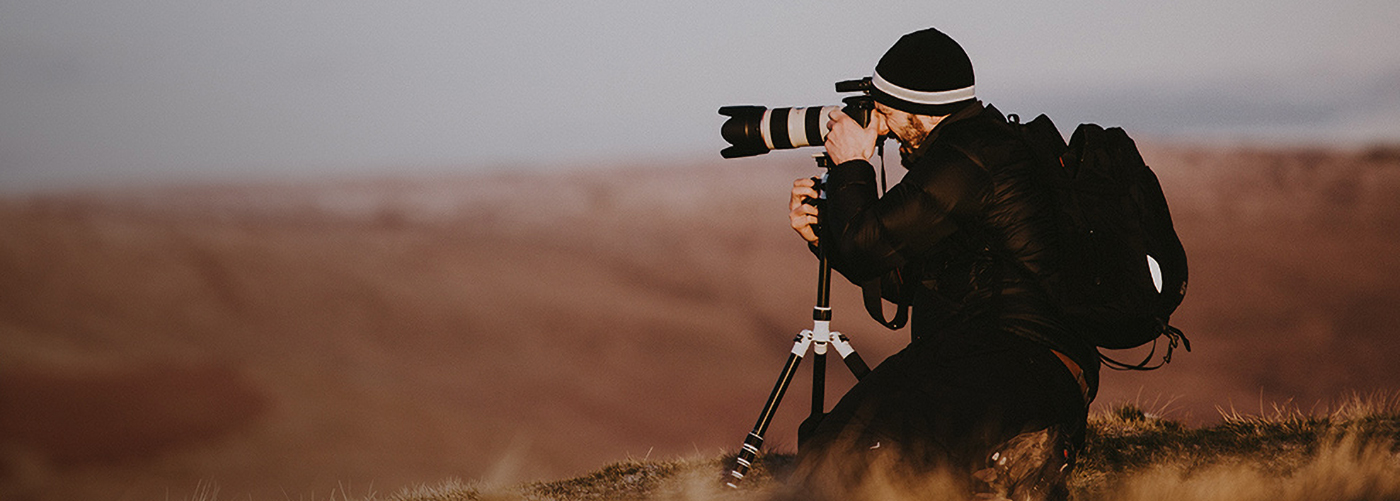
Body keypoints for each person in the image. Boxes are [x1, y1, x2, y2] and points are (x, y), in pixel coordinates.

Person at [783, 27, 1096, 501]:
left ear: (918, 112)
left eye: (886, 113)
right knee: (846, 446)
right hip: (1010, 363)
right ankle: (1008, 460)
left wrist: (852, 166)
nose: (881, 127)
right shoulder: (969, 151)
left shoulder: (968, 158)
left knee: (846, 452)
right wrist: (824, 238)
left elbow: (868, 246)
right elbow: (904, 278)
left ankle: (1022, 456)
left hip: (1012, 360)